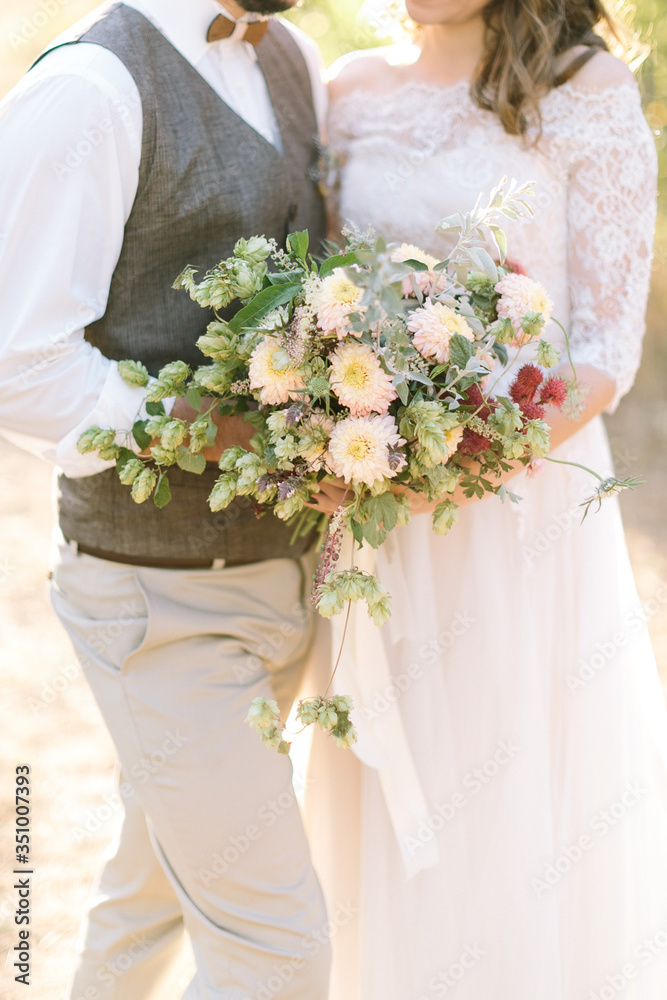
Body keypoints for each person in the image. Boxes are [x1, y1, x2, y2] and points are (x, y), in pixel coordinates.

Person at [304, 1, 667, 997]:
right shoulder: (349, 92)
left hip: (517, 510)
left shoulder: (584, 90)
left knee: (508, 777)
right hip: (375, 507)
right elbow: (330, 299)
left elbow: (605, 349)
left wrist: (458, 467)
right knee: (389, 778)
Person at [0, 1, 332, 997]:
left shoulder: (293, 55)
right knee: (276, 953)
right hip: (158, 601)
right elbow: (18, 365)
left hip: (285, 576)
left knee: (145, 902)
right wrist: (209, 428)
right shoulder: (87, 89)